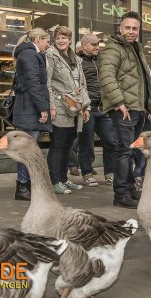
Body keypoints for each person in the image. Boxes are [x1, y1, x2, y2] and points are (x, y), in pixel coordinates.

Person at [99, 11, 151, 209]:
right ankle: (121, 194)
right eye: (128, 28)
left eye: (135, 28)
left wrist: (149, 106)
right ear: (120, 28)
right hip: (125, 109)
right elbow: (106, 76)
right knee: (123, 151)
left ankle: (130, 189)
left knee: (131, 152)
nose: (131, 31)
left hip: (137, 109)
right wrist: (119, 103)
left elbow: (143, 79)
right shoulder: (113, 48)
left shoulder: (135, 48)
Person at [46, 26, 91, 194]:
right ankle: (55, 180)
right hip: (59, 106)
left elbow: (82, 84)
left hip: (76, 107)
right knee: (58, 144)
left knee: (67, 145)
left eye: (64, 37)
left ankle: (64, 179)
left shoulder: (75, 58)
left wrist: (86, 107)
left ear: (70, 40)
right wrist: (50, 106)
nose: (61, 40)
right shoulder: (51, 55)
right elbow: (47, 83)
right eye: (58, 37)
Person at [12, 28, 52, 201]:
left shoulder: (30, 54)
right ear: (38, 39)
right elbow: (33, 84)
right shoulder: (29, 55)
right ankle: (22, 186)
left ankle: (26, 185)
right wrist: (43, 108)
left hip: (28, 106)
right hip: (28, 107)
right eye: (47, 41)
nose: (48, 44)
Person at [78, 34, 116, 187]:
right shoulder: (78, 61)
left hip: (104, 109)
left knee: (111, 142)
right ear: (84, 46)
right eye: (93, 44)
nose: (96, 47)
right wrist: (83, 105)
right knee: (86, 143)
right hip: (88, 109)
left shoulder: (102, 60)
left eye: (98, 44)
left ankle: (110, 173)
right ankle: (87, 173)